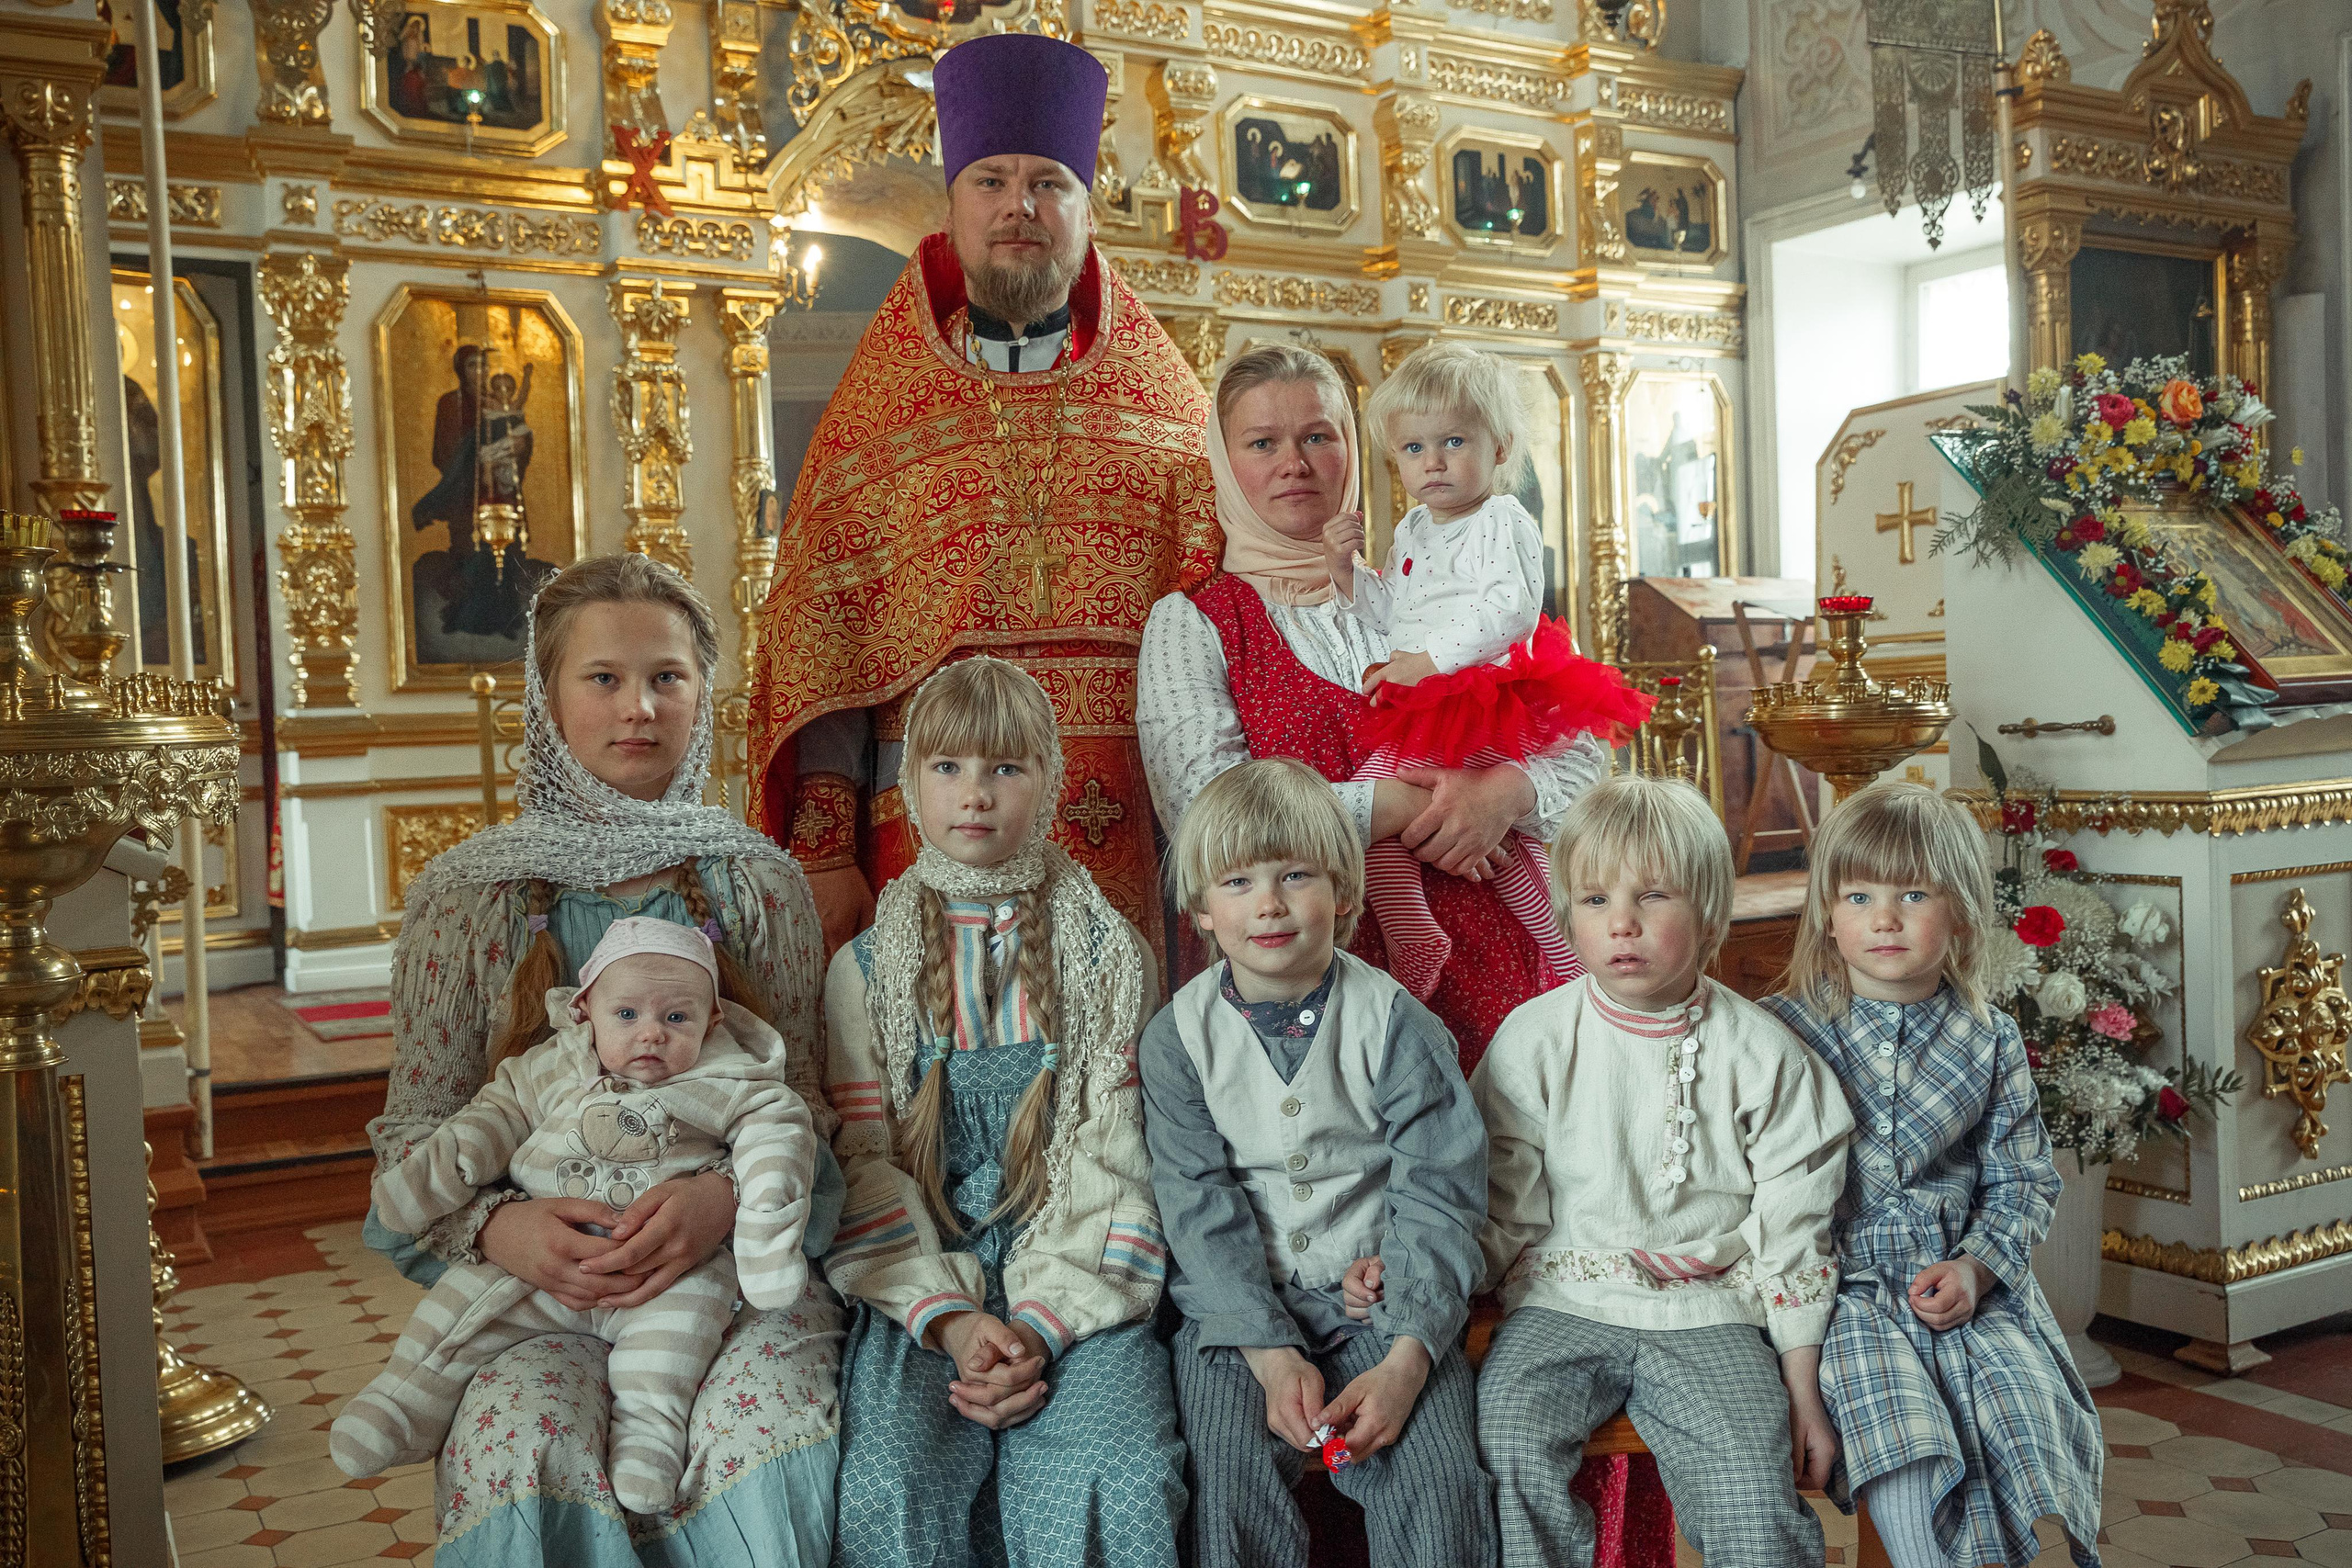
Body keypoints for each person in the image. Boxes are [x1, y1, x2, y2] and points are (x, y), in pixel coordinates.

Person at [368, 552, 843, 1566]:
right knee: (526, 1444)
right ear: (547, 701)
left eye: (667, 677)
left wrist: (724, 1200)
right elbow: (416, 1134)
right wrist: (501, 1228)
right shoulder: (469, 899)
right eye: (604, 678)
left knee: (760, 1433)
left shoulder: (758, 885)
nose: (639, 707)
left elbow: (806, 1103)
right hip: (534, 1290)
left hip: (731, 1275)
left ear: (703, 694)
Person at [752, 32, 1219, 966]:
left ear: (1085, 211)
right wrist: (823, 850)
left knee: (1124, 1040)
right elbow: (827, 642)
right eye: (992, 181)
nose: (1019, 206)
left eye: (1048, 182)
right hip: (931, 825)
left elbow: (1229, 626)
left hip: (1129, 815)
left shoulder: (1170, 411)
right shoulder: (877, 414)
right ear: (953, 206)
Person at [1138, 344, 1608, 1071]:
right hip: (1323, 1003)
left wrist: (1504, 794)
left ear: (1355, 450)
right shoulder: (1193, 622)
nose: (1294, 463)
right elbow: (1205, 820)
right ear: (1224, 463)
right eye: (1262, 443)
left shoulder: (1427, 591)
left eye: (1317, 436)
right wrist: (1394, 805)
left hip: (1515, 992)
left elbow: (1585, 754)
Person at [823, 658, 1183, 1567]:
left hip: (1078, 1274)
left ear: (1050, 781)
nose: (974, 793)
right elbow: (864, 1163)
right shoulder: (861, 973)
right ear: (910, 784)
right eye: (947, 766)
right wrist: (953, 1320)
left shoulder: (1111, 958)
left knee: (1117, 1471)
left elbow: (1117, 1159)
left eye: (1005, 767)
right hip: (918, 1276)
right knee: (890, 1480)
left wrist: (1037, 1325)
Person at [1472, 773, 1853, 1567]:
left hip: (1711, 1309)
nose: (1622, 922)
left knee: (1754, 1482)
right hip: (1564, 1297)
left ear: (1710, 913)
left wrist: (1803, 1382)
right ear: (1566, 914)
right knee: (1506, 1438)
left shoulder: (1765, 1053)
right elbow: (1502, 1201)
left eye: (1652, 896)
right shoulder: (1533, 1038)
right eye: (1594, 898)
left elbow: (1794, 1226)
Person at [334, 919, 820, 1515]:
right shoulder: (553, 1066)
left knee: (682, 1333)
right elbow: (496, 1116)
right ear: (585, 1009)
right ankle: (404, 1398)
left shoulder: (729, 1077)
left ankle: (648, 1436)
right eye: (627, 1015)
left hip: (664, 1273)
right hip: (533, 1266)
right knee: (458, 1310)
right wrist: (437, 1177)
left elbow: (779, 1139)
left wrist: (760, 1229)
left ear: (713, 1019)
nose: (652, 1033)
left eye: (677, 1017)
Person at [1141, 758, 1495, 1567]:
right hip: (1239, 1312)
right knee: (1224, 1482)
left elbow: (1441, 1194)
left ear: (1342, 890)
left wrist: (1408, 1356)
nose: (1268, 903)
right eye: (1238, 881)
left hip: (1382, 1301)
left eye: (1295, 874)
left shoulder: (1397, 1024)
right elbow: (1196, 1205)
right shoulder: (1177, 1039)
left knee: (1438, 1481)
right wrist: (1268, 1352)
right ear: (1201, 907)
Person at [1760, 784, 2103, 1568]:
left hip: (1957, 1284)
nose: (1885, 917)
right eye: (1859, 895)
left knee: (2018, 1406)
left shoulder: (1989, 1038)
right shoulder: (1782, 1030)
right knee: (1904, 1435)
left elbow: (2022, 1179)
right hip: (1839, 1294)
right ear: (1827, 913)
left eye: (1913, 894)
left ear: (1962, 914)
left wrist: (1977, 1269)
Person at [1323, 343, 1650, 998]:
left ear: (1499, 448)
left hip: (1483, 695)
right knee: (1432, 833)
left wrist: (1427, 663)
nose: (1434, 461)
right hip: (1426, 695)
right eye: (1414, 448)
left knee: (1461, 828)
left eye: (1453, 441)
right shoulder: (1413, 528)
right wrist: (1346, 572)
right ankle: (1456, 937)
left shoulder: (1502, 518)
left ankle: (1532, 949)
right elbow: (1396, 613)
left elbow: (1510, 610)